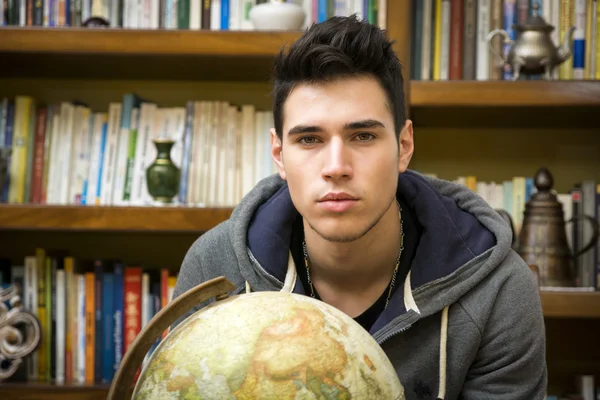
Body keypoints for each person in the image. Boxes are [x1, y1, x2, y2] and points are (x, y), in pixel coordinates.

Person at [172, 15, 547, 400]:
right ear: (279, 154)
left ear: (404, 146)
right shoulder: (215, 268)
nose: (336, 167)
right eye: (309, 139)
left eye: (363, 135)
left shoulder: (498, 289)